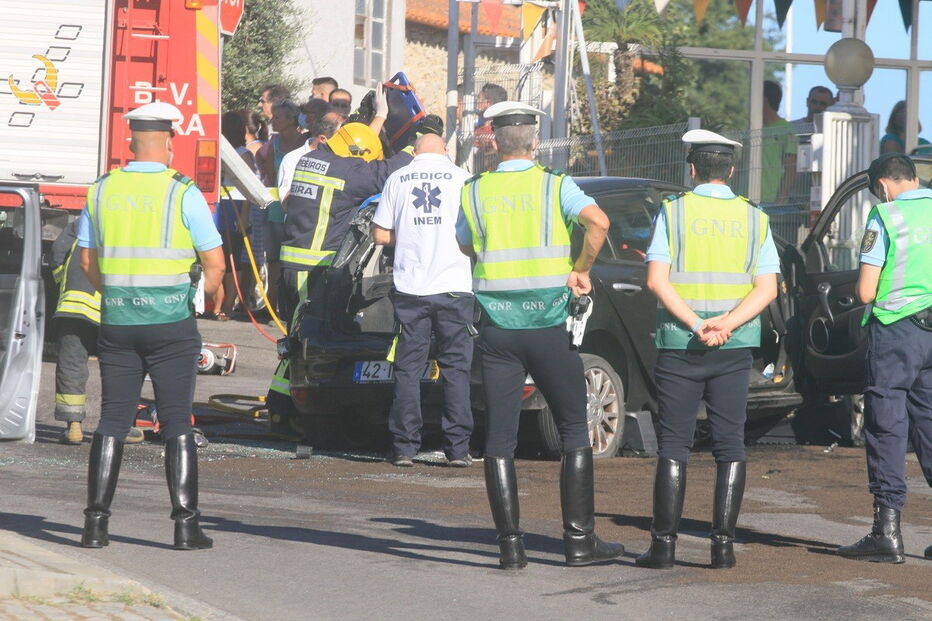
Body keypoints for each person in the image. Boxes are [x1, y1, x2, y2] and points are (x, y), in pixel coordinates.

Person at [456, 101, 622, 569]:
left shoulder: (474, 191)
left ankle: (510, 547)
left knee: (500, 439)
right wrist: (580, 270)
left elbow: (464, 242)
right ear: (533, 141)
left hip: (497, 328)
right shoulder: (556, 186)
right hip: (548, 325)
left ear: (495, 143)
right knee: (572, 428)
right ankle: (579, 542)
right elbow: (599, 223)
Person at [76, 101, 225, 550]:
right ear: (170, 142)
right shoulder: (183, 192)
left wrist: (120, 294)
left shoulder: (100, 190)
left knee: (113, 420)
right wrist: (197, 300)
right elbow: (214, 264)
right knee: (176, 419)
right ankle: (185, 527)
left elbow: (87, 259)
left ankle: (94, 526)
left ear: (130, 141)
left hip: (118, 320)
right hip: (171, 324)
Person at [635, 129, 779, 570]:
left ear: (692, 170)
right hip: (733, 347)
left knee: (674, 444)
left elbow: (657, 280)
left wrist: (698, 325)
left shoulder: (673, 213)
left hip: (681, 345)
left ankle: (663, 547)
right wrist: (728, 325)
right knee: (730, 443)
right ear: (732, 170)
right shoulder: (756, 218)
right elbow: (767, 288)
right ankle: (722, 548)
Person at [836, 153, 932, 563]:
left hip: (897, 332)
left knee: (887, 426)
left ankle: (886, 533)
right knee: (930, 424)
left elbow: (866, 292)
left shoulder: (885, 216)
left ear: (882, 185)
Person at [372, 134, 474, 467]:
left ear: (415, 152)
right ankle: (457, 450)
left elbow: (380, 234)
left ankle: (404, 447)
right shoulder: (463, 178)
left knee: (407, 369)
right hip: (455, 285)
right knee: (456, 369)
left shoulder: (398, 178)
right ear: (446, 150)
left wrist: (412, 234)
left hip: (411, 287)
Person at [51, 222, 146, 445]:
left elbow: (58, 252)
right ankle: (120, 427)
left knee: (72, 365)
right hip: (114, 309)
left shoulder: (83, 220)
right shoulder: (133, 226)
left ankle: (73, 427)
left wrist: (62, 281)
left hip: (74, 306)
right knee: (120, 366)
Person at [258, 100, 307, 319]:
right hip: (276, 209)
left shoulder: (303, 142)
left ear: (291, 120)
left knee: (290, 261)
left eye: (277, 117)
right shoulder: (273, 143)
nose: (272, 120)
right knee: (273, 259)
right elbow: (268, 171)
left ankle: (290, 306)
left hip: (296, 209)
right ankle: (271, 306)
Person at [761, 80, 797, 205]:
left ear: (763, 100)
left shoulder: (787, 130)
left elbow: (791, 169)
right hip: (745, 198)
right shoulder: (752, 127)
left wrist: (780, 201)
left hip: (770, 202)